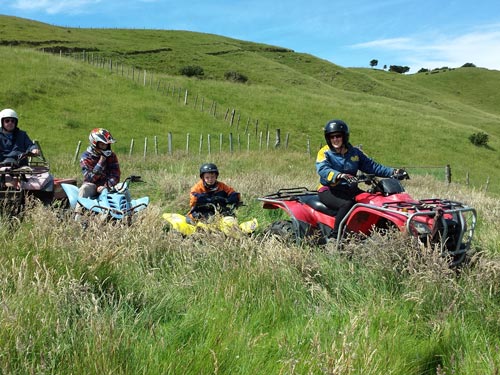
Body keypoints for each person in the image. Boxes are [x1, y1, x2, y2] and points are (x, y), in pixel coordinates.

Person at [316, 119, 400, 239]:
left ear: (344, 136)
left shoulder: (354, 153)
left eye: (338, 136)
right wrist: (339, 175)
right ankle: (335, 238)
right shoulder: (324, 152)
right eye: (332, 137)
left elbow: (372, 167)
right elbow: (323, 169)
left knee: (372, 201)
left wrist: (393, 172)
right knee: (347, 204)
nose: (335, 139)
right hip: (329, 190)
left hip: (350, 189)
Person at [79, 128, 121, 199]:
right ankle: (78, 209)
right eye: (102, 145)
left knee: (123, 186)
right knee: (84, 189)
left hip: (108, 186)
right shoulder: (85, 157)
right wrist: (101, 161)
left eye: (106, 145)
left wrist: (106, 186)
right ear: (94, 144)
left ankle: (129, 208)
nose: (105, 147)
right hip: (92, 186)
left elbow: (116, 175)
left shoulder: (112, 156)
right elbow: (90, 178)